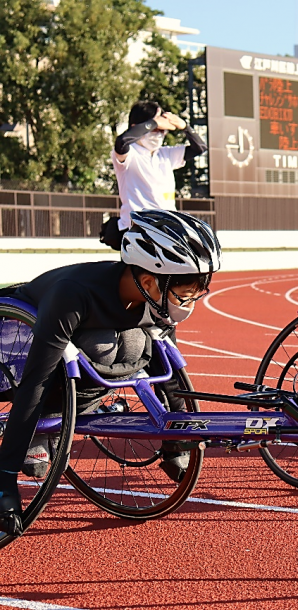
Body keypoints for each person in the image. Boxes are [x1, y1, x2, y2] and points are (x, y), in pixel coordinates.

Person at [0, 210, 221, 536]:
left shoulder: (153, 299)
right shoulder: (73, 295)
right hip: (20, 351)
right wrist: (5, 483)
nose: (188, 304)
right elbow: (35, 381)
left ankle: (82, 404)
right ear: (148, 281)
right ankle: (43, 427)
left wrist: (178, 440)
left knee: (138, 343)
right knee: (110, 344)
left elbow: (170, 372)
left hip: (81, 363)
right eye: (183, 295)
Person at [100, 101, 207, 250]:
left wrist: (185, 127)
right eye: (155, 129)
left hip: (167, 228)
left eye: (162, 130)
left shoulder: (165, 154)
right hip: (137, 229)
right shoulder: (130, 154)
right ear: (137, 127)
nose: (159, 134)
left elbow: (200, 148)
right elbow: (122, 141)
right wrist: (154, 122)